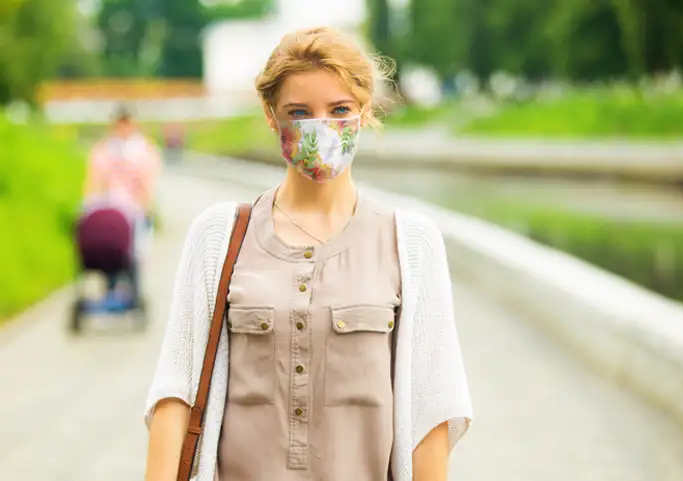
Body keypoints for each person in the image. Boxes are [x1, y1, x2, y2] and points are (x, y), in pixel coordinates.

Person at [143, 27, 472, 481]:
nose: (320, 128)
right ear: (270, 115)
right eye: (299, 113)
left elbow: (431, 412)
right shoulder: (218, 235)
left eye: (339, 110)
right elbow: (175, 393)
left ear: (365, 110)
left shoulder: (411, 243)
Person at [82, 106, 161, 301]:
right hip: (108, 206)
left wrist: (146, 205)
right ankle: (109, 284)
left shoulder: (144, 151)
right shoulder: (103, 150)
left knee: (135, 249)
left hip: (133, 208)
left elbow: (148, 184)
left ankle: (132, 289)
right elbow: (94, 181)